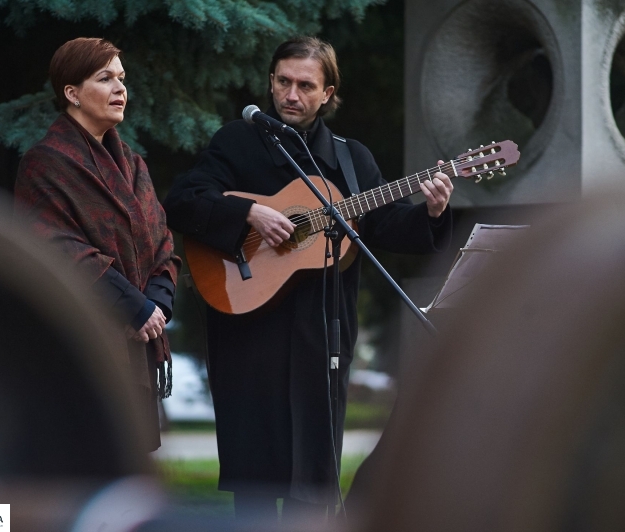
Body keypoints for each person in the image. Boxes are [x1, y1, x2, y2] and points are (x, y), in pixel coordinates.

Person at [163, 36, 453, 521]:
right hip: (249, 327)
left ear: (327, 93)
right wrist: (249, 212)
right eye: (282, 82)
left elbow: (382, 226)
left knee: (314, 471)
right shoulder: (237, 141)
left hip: (322, 334)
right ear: (271, 82)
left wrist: (432, 211)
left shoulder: (350, 158)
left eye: (304, 85)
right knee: (255, 470)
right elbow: (183, 201)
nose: (290, 95)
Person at [15, 38, 180, 452]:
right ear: (71, 93)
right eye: (105, 78)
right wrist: (132, 305)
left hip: (137, 337)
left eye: (122, 78)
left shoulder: (134, 164)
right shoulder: (45, 163)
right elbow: (56, 248)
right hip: (80, 343)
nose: (120, 89)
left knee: (127, 472)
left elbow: (162, 240)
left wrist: (157, 303)